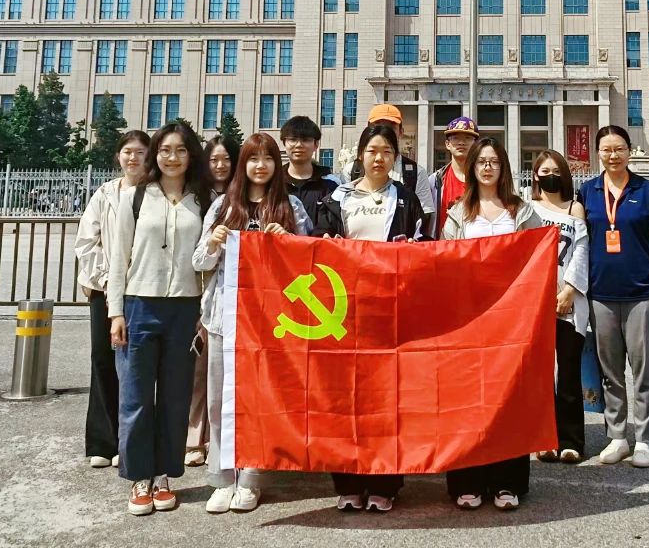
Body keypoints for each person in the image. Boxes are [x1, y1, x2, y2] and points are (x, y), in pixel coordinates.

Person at [194, 133, 311, 514]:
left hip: (270, 323)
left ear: (277, 165)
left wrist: (288, 240)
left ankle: (252, 476)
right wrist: (213, 242)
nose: (260, 166)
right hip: (224, 319)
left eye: (267, 158)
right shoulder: (223, 207)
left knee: (260, 400)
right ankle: (222, 477)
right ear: (242, 165)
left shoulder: (290, 205)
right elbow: (199, 262)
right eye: (253, 158)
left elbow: (311, 262)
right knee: (219, 399)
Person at [316, 123, 428, 512]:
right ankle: (348, 482)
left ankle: (385, 483)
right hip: (344, 311)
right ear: (360, 154)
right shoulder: (337, 197)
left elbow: (423, 246)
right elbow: (318, 242)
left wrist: (411, 249)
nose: (379, 158)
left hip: (389, 309)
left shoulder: (406, 199)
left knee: (386, 398)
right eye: (372, 150)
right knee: (345, 398)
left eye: (386, 151)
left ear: (395, 158)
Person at [107, 121, 213, 516]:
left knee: (175, 396)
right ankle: (139, 477)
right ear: (156, 154)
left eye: (181, 150)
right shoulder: (136, 197)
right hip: (139, 305)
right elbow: (118, 259)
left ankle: (165, 474)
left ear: (191, 155)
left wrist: (203, 312)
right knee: (136, 397)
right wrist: (115, 312)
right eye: (165, 150)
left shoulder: (202, 200)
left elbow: (208, 263)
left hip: (184, 308)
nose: (173, 157)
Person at [442, 137, 544, 510]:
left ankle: (506, 482)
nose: (487, 167)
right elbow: (444, 262)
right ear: (471, 168)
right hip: (468, 319)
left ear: (503, 167)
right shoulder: (458, 213)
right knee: (466, 400)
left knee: (507, 400)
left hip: (511, 319)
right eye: (481, 161)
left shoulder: (520, 211)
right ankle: (467, 480)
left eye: (494, 161)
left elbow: (539, 256)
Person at [577, 125, 649, 470]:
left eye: (619, 148)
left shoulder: (646, 191)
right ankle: (617, 436)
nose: (613, 155)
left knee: (644, 369)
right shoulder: (588, 191)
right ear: (597, 154)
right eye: (606, 149)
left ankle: (644, 439)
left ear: (630, 151)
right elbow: (576, 239)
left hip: (642, 293)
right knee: (610, 371)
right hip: (601, 294)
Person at [75, 129, 150, 470]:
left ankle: (129, 439)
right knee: (103, 359)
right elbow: (86, 242)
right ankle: (103, 441)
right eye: (127, 151)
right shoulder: (105, 194)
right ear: (118, 156)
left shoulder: (155, 194)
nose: (133, 157)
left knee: (135, 365)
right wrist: (108, 280)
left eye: (140, 152)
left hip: (143, 289)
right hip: (104, 290)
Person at [528, 149, 589, 464]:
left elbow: (581, 250)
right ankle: (544, 438)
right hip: (536, 300)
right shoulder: (528, 208)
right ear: (535, 176)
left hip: (569, 301)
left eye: (555, 170)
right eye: (544, 171)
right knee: (539, 375)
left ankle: (571, 440)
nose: (550, 175)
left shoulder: (574, 207)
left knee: (568, 373)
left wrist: (569, 290)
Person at [186, 135, 240, 468]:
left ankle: (217, 441)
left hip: (225, 294)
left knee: (220, 375)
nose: (220, 166)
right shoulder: (198, 197)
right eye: (214, 159)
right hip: (196, 287)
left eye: (226, 159)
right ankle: (194, 438)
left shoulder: (241, 197)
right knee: (198, 371)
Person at [343, 103, 435, 235]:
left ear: (401, 132)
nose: (384, 131)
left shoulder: (416, 173)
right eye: (378, 125)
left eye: (391, 127)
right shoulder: (352, 170)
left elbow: (426, 216)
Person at [280, 115, 340, 223]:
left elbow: (334, 224)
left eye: (305, 140)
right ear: (284, 143)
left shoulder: (331, 184)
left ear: (316, 144)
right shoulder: (275, 182)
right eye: (292, 139)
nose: (299, 145)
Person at [428, 115, 479, 237]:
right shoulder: (435, 181)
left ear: (476, 144)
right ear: (447, 144)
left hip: (474, 244)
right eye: (455, 138)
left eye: (467, 138)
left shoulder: (484, 180)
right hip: (444, 244)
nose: (461, 142)